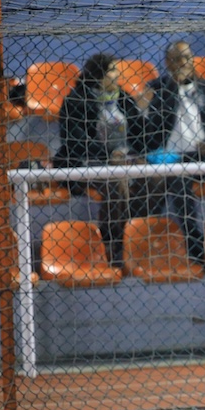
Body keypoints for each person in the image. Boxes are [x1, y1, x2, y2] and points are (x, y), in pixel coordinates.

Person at [142, 40, 205, 267]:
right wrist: (171, 89)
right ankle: (193, 239)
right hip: (175, 157)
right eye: (177, 59)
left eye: (187, 57)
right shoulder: (157, 91)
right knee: (178, 178)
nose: (183, 63)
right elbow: (149, 132)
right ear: (168, 63)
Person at [56, 53, 147, 268]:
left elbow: (141, 134)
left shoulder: (123, 98)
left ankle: (135, 235)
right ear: (98, 76)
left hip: (124, 159)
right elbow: (75, 142)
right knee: (117, 181)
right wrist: (109, 155)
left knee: (156, 179)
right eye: (113, 70)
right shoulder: (76, 101)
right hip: (87, 163)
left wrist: (136, 152)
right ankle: (112, 241)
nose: (118, 75)